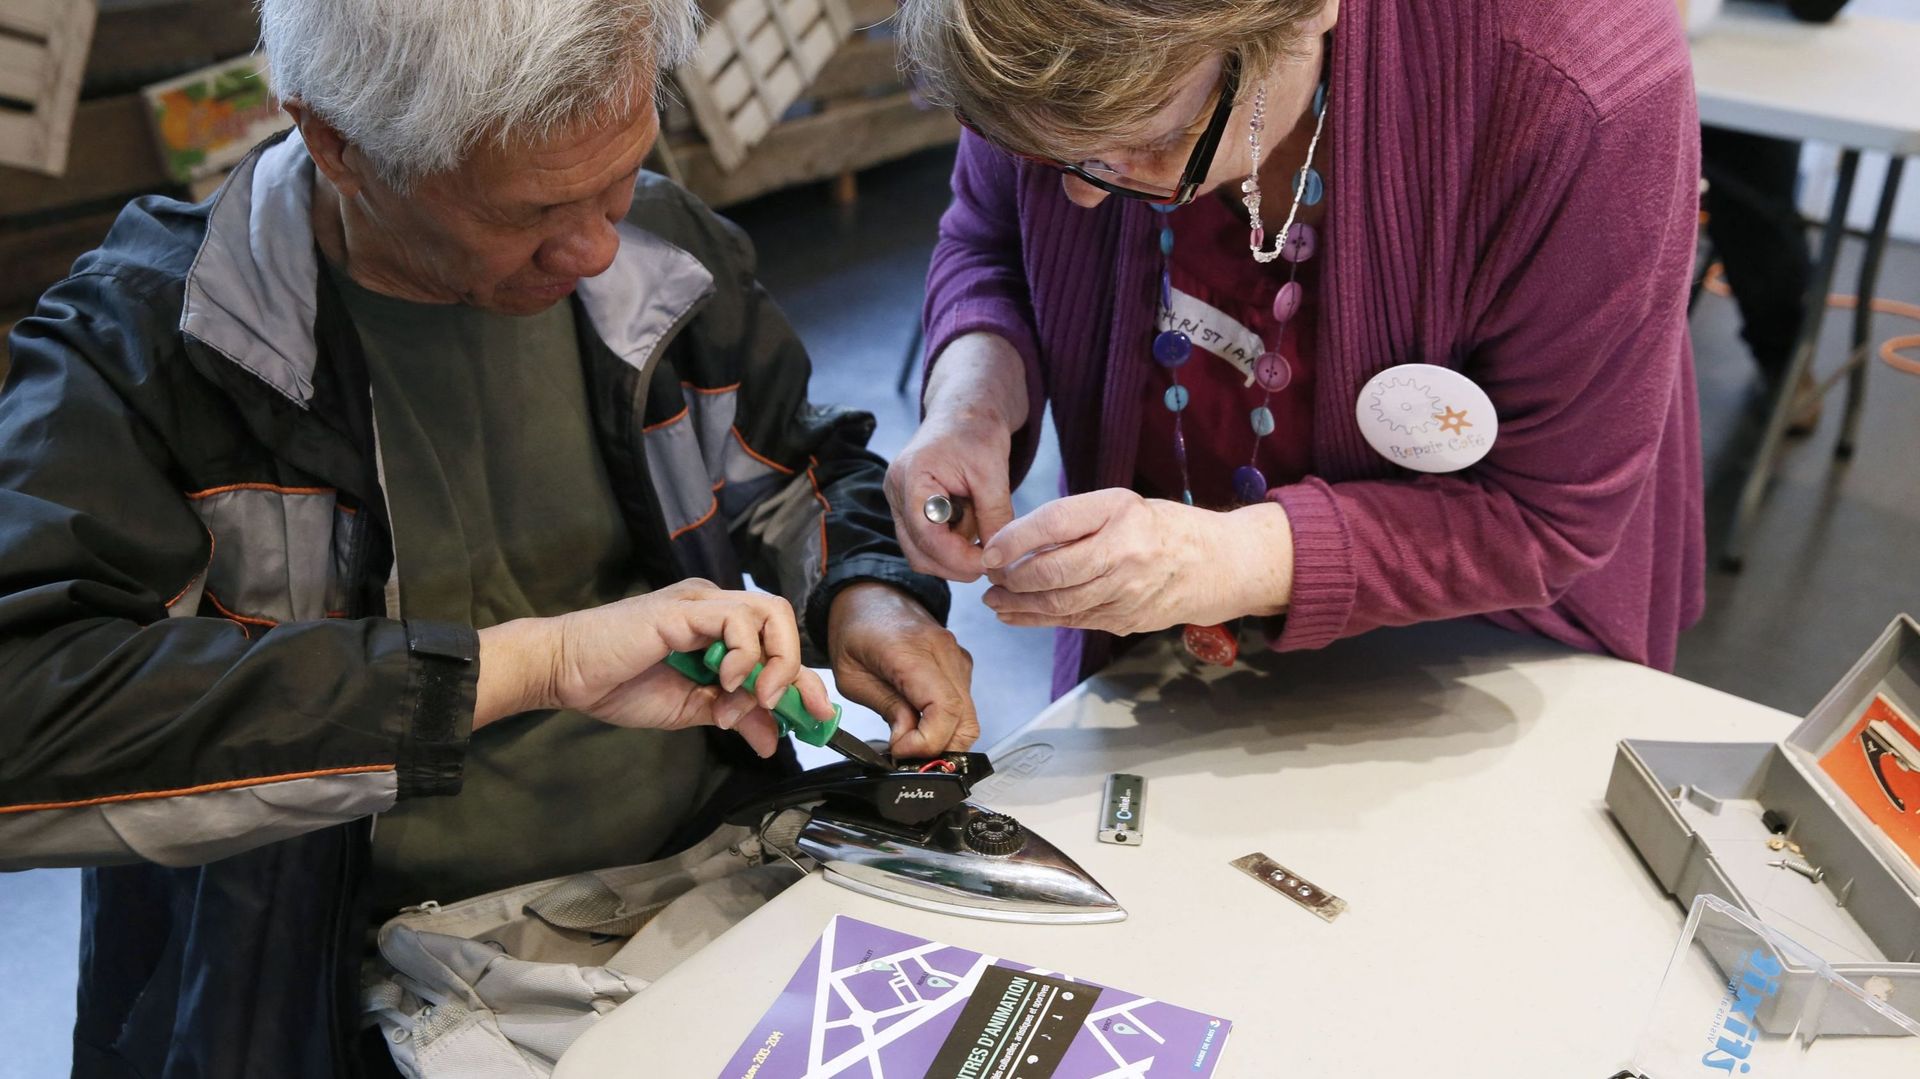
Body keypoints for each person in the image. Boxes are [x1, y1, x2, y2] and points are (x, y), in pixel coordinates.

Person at [0, 0, 976, 1074]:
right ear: (338, 144)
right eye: (536, 207)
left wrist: (865, 592)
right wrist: (529, 666)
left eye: (621, 174)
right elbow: (26, 715)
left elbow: (799, 463)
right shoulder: (151, 349)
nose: (598, 243)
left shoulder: (663, 255)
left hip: (707, 884)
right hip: (342, 982)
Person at [888, 0, 1707, 698]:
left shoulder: (1583, 86)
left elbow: (1537, 514)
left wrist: (1219, 556)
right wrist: (973, 402)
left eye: (1154, 143)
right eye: (1051, 153)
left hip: (1476, 654)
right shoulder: (1035, 35)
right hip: (1167, 635)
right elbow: (992, 238)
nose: (1082, 192)